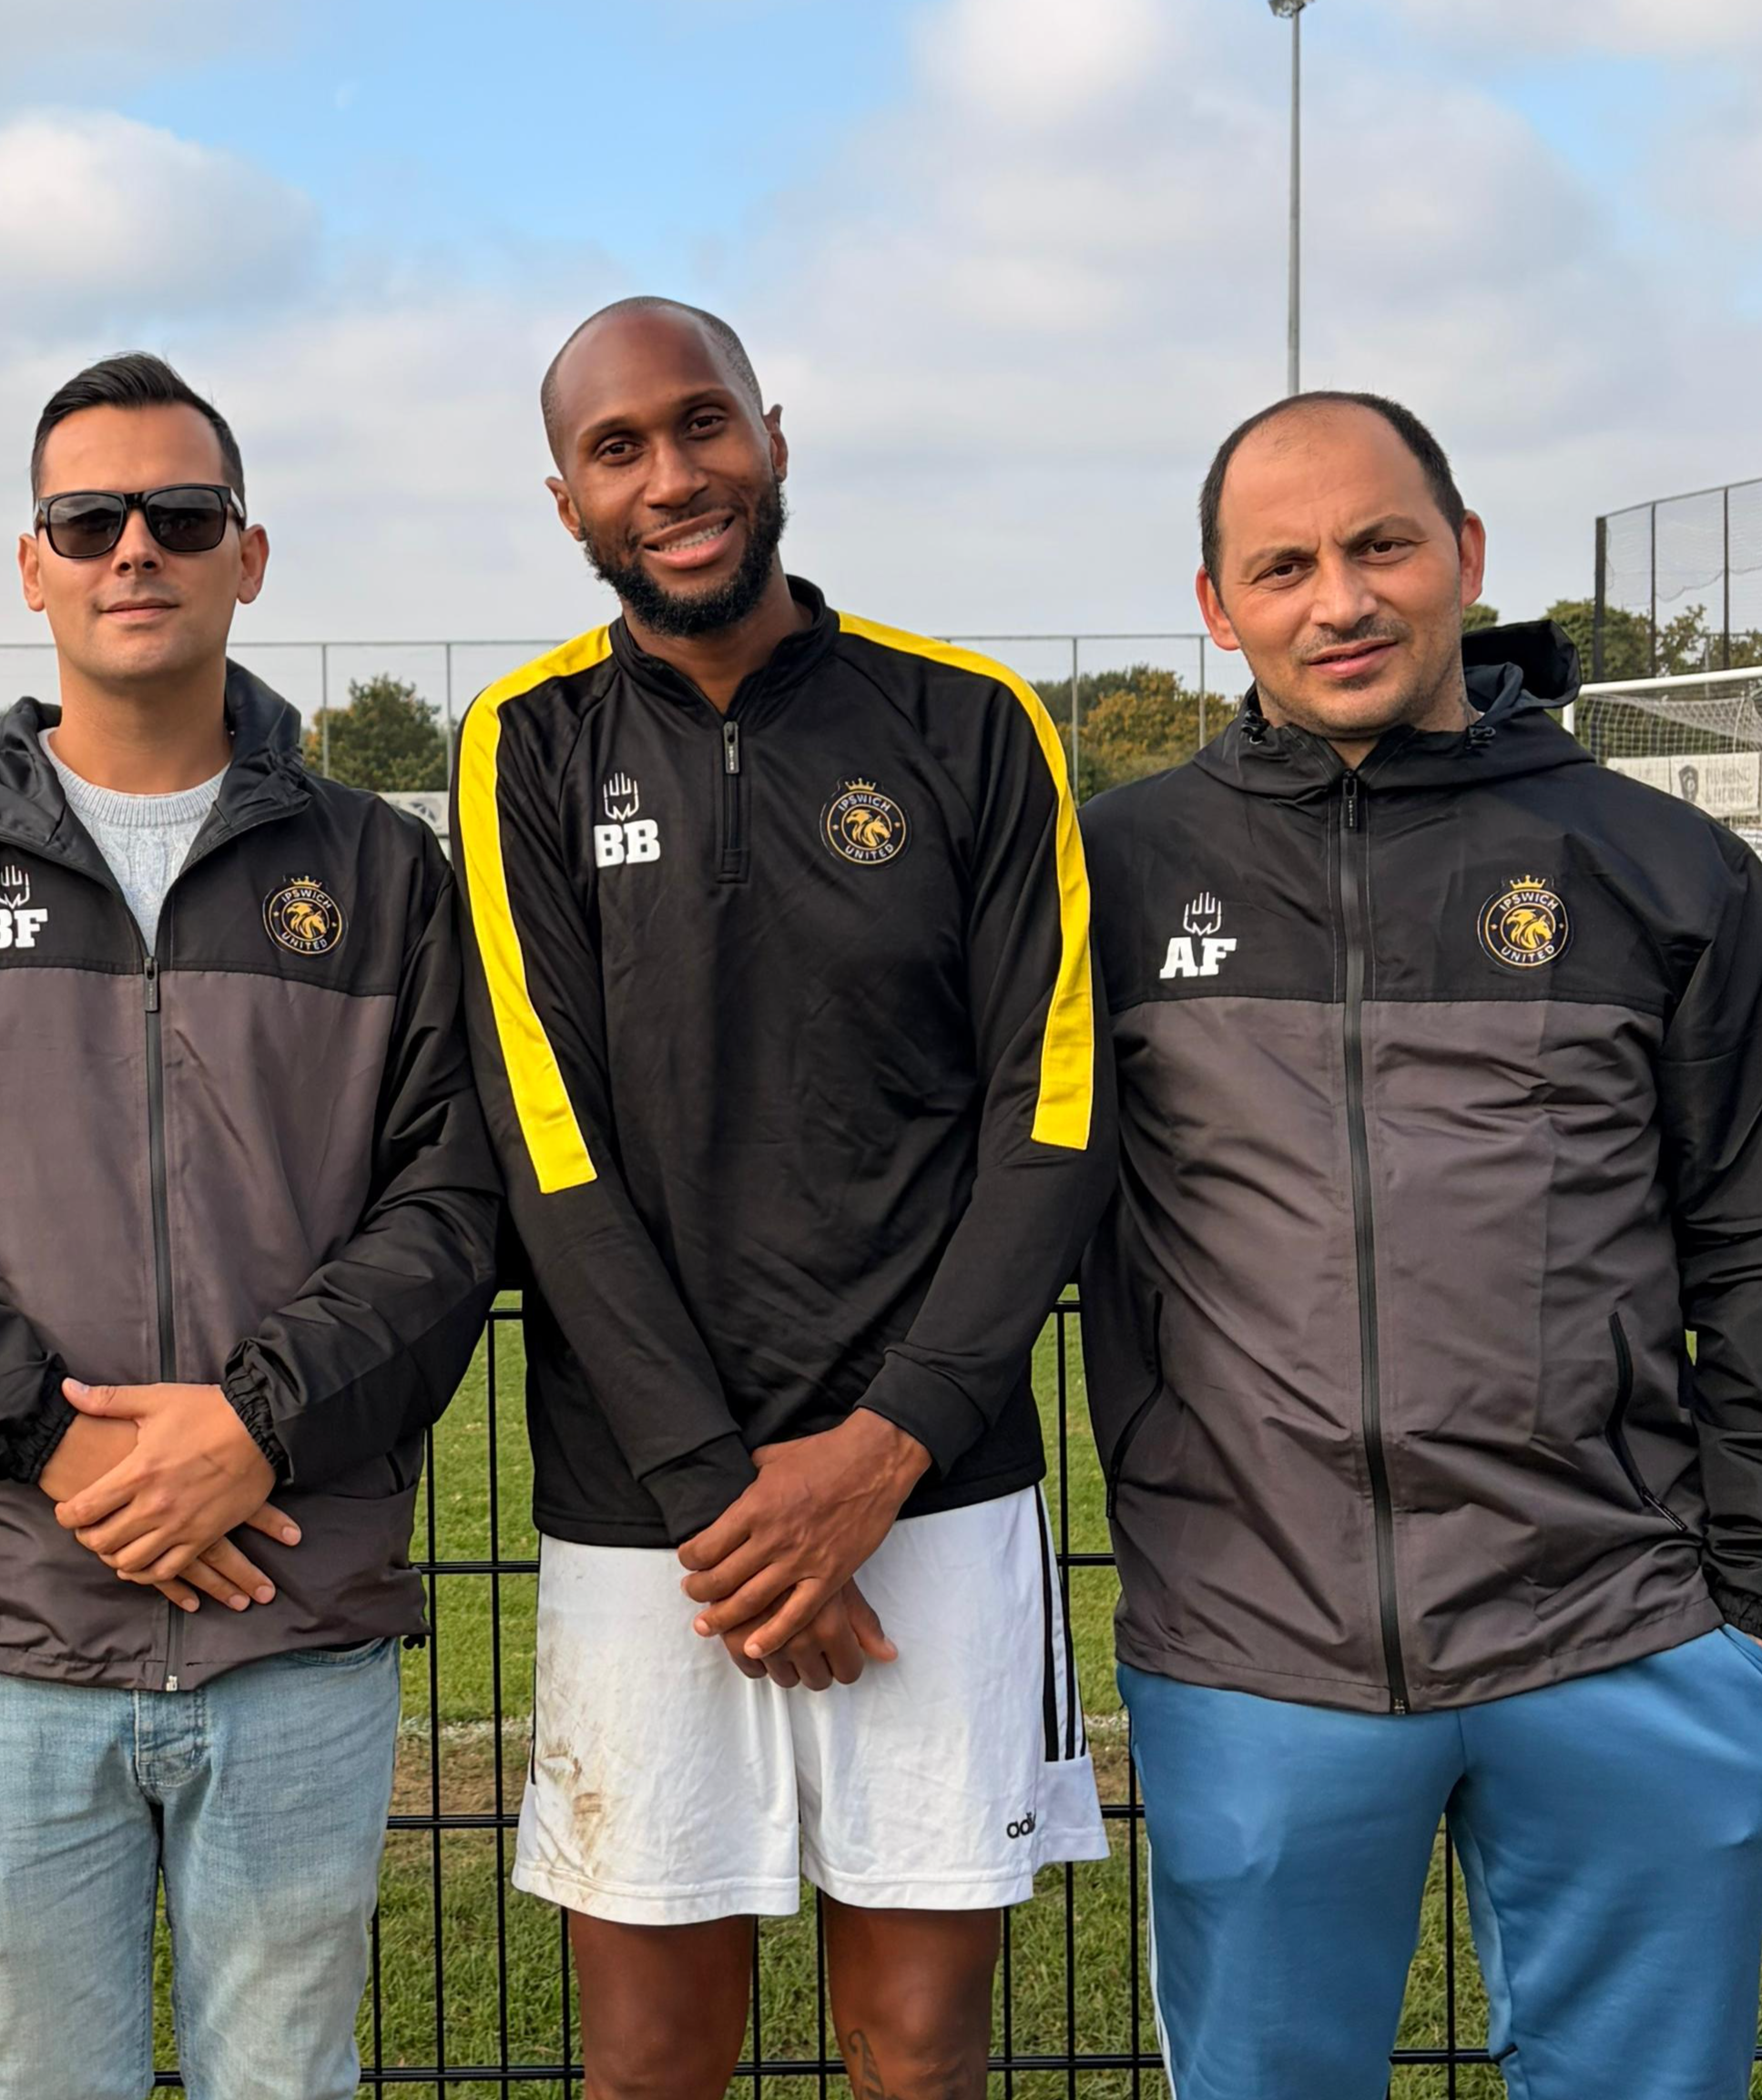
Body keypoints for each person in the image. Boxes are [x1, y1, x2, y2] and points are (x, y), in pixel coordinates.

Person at [1079, 391, 1762, 2099]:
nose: (1339, 599)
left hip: (1622, 1638)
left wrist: (1755, 1612)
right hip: (1253, 1657)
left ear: (1460, 553)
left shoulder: (1659, 866)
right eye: (1282, 566)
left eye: (1379, 545)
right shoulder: (1115, 876)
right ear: (1216, 606)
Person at [0, 352, 500, 2100]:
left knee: (287, 2078)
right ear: (33, 565)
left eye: (180, 513)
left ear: (249, 554)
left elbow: (452, 1205)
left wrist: (255, 1426)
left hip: (295, 1613)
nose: (133, 547)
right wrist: (58, 1443)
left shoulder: (384, 873)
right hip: (15, 1621)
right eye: (88, 519)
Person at [453, 298, 1113, 2096]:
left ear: (772, 439)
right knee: (650, 2057)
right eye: (617, 448)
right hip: (649, 1515)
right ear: (568, 502)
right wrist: (728, 1509)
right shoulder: (521, 740)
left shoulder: (973, 722)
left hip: (934, 1493)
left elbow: (1052, 1119)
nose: (672, 476)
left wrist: (881, 1453)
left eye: (703, 423)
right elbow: (545, 1140)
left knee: (920, 2046)